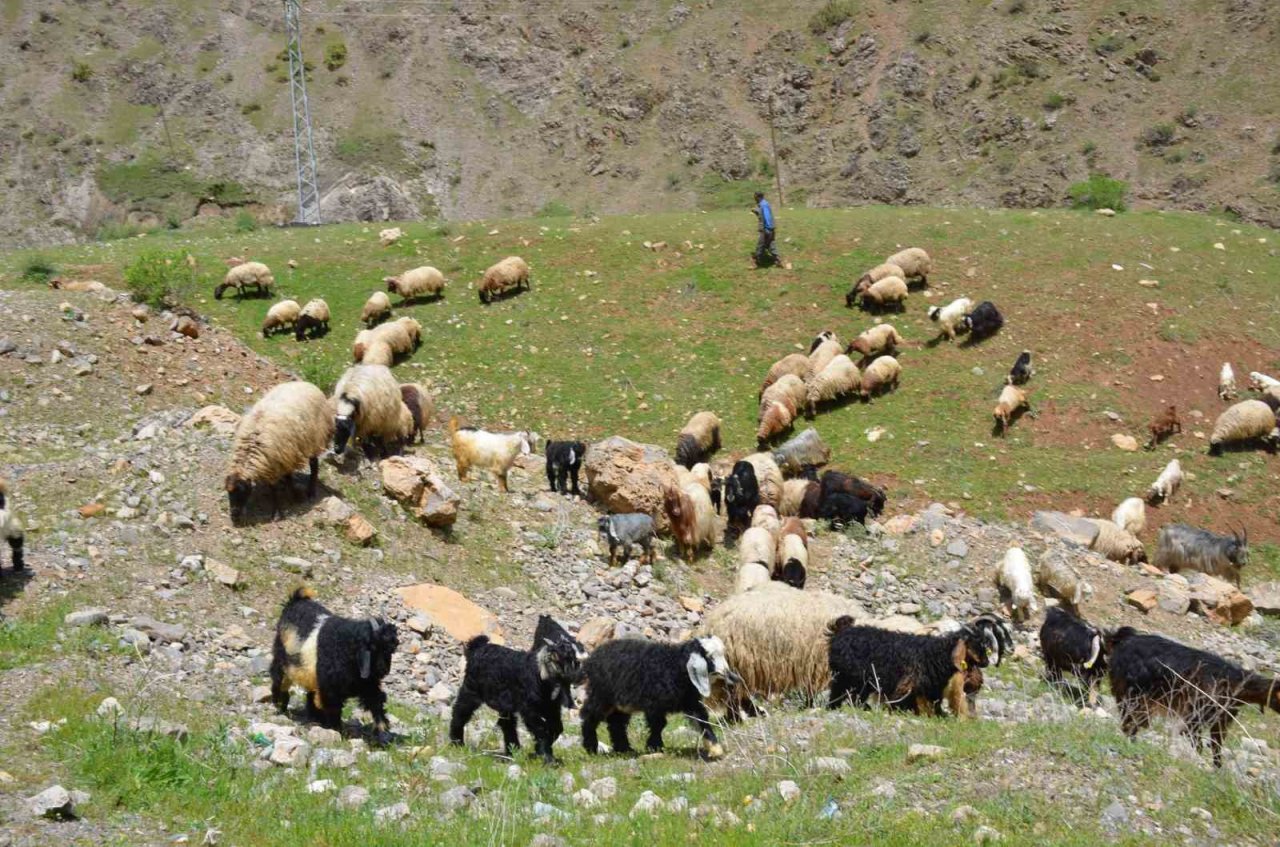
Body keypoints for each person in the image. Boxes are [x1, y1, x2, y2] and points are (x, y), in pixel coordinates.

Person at [751, 191, 780, 268]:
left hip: (766, 230)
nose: (754, 199)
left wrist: (768, 230)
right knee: (771, 244)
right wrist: (756, 212)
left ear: (758, 197)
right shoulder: (763, 204)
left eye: (755, 197)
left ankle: (758, 262)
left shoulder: (764, 205)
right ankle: (777, 259)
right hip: (769, 229)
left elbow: (767, 218)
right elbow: (762, 215)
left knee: (760, 245)